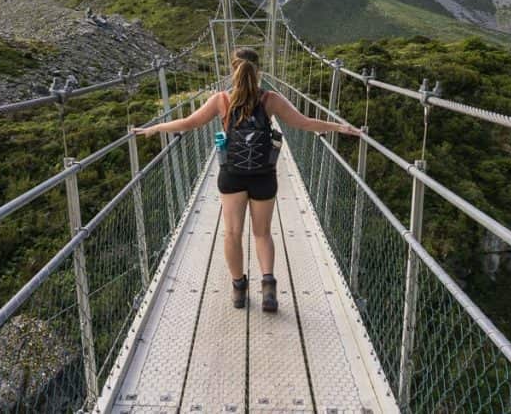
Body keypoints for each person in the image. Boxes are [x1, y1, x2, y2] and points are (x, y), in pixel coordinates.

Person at [133, 47, 360, 312]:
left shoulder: (221, 101)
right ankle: (268, 288)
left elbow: (188, 123)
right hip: (264, 176)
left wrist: (155, 128)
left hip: (232, 176)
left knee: (232, 233)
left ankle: (239, 289)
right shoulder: (271, 100)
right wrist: (339, 127)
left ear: (233, 69)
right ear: (259, 70)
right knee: (262, 233)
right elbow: (305, 123)